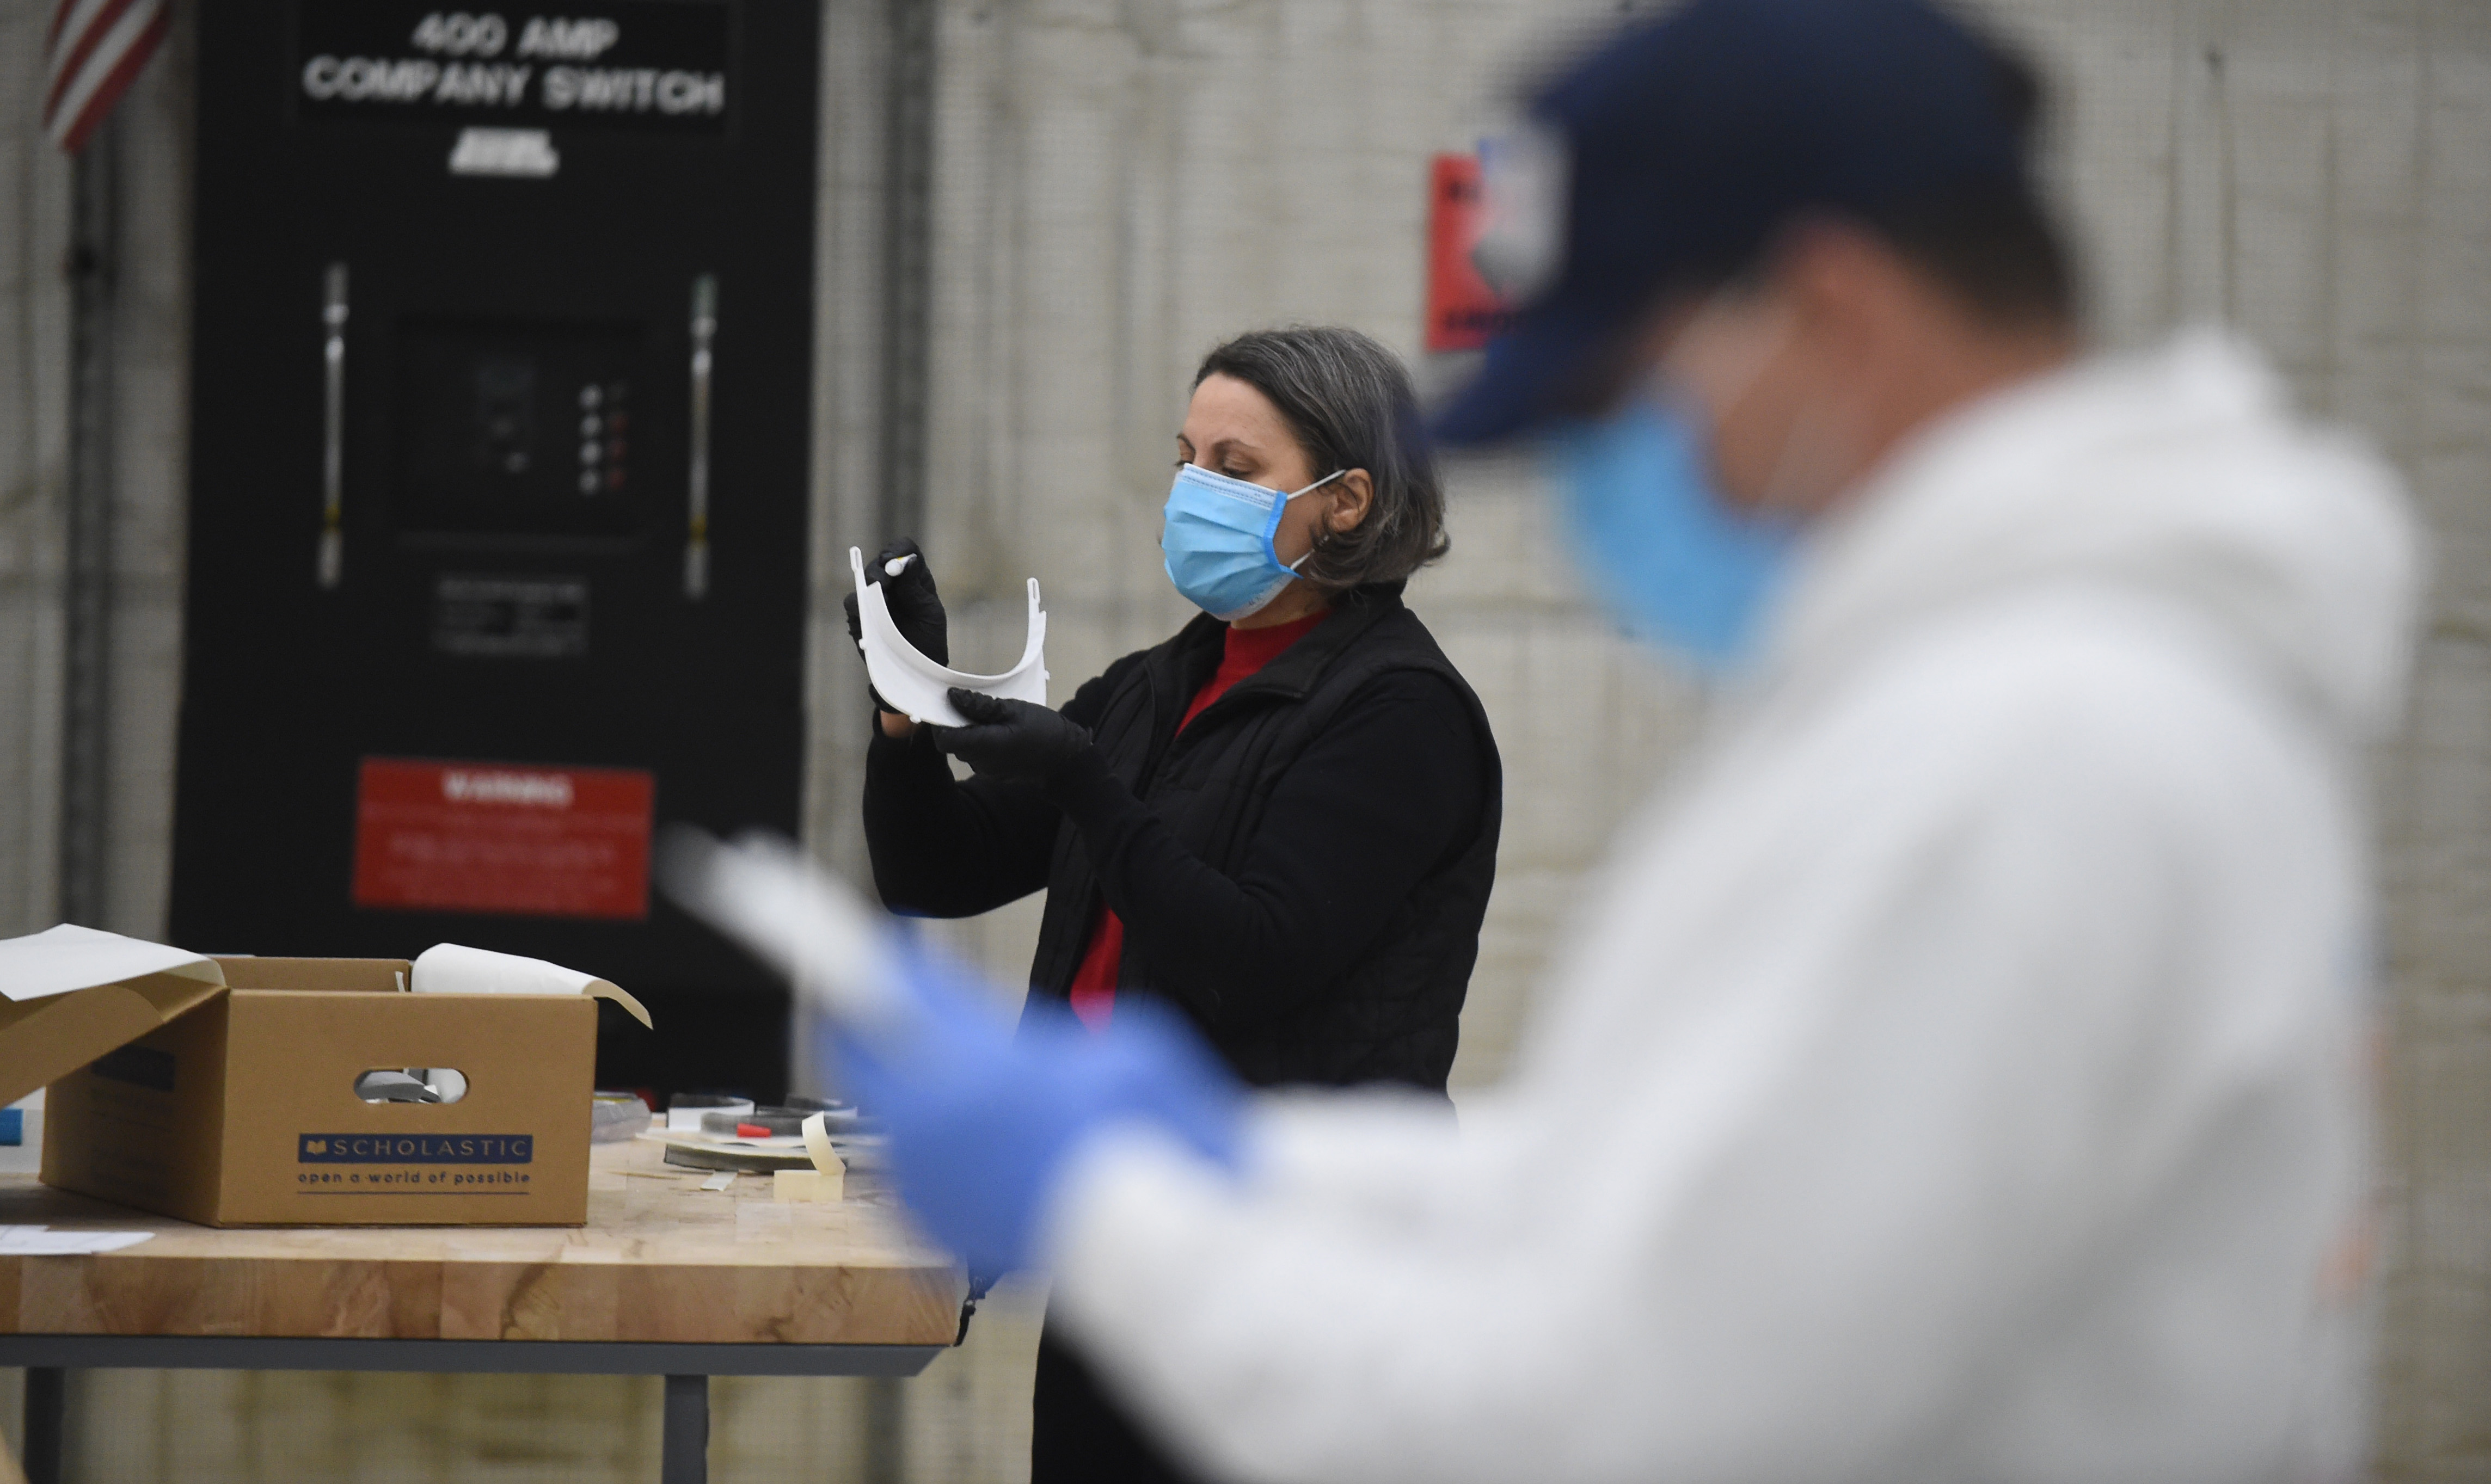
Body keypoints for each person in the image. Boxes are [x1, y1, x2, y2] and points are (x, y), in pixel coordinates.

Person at [814, 1, 2422, 1479]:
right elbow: (1680, 1196)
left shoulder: (2020, 756)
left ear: (1825, 317)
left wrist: (1118, 1210)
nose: (1605, 485)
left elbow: (1630, 1389)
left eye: (1616, 398)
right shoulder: (2042, 704)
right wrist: (1245, 1176)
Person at [844, 324, 1502, 1482]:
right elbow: (932, 871)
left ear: (1344, 501)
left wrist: (1084, 784)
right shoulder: (1159, 686)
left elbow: (1253, 953)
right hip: (1122, 1235)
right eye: (1185, 456)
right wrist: (906, 708)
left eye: (1235, 467)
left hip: (1292, 1266)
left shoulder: (1400, 712)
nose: (1194, 489)